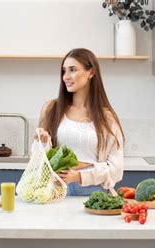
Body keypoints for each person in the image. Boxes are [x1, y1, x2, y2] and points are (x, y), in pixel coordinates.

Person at [34, 48, 125, 196]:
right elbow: (39, 159)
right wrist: (42, 142)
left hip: (94, 193)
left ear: (91, 72)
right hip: (57, 191)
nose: (66, 77)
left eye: (73, 70)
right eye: (64, 71)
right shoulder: (51, 109)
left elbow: (116, 170)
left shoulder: (106, 117)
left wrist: (80, 176)